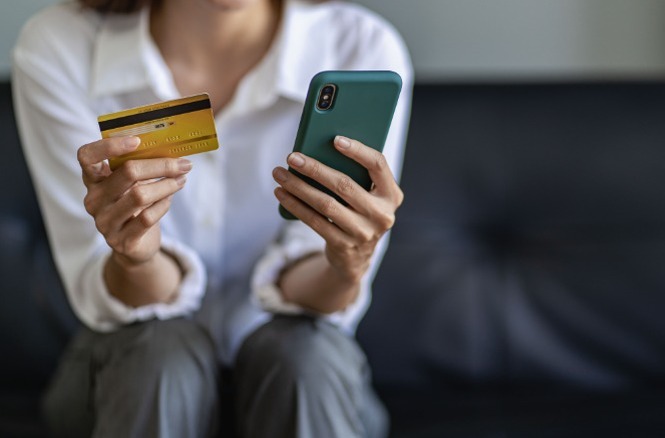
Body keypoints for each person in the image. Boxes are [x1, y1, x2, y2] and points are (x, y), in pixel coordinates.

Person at [12, 0, 412, 435]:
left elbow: (313, 304)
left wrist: (349, 263)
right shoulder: (62, 47)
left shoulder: (360, 47)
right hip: (131, 368)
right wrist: (136, 258)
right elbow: (108, 295)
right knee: (158, 357)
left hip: (302, 373)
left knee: (305, 359)